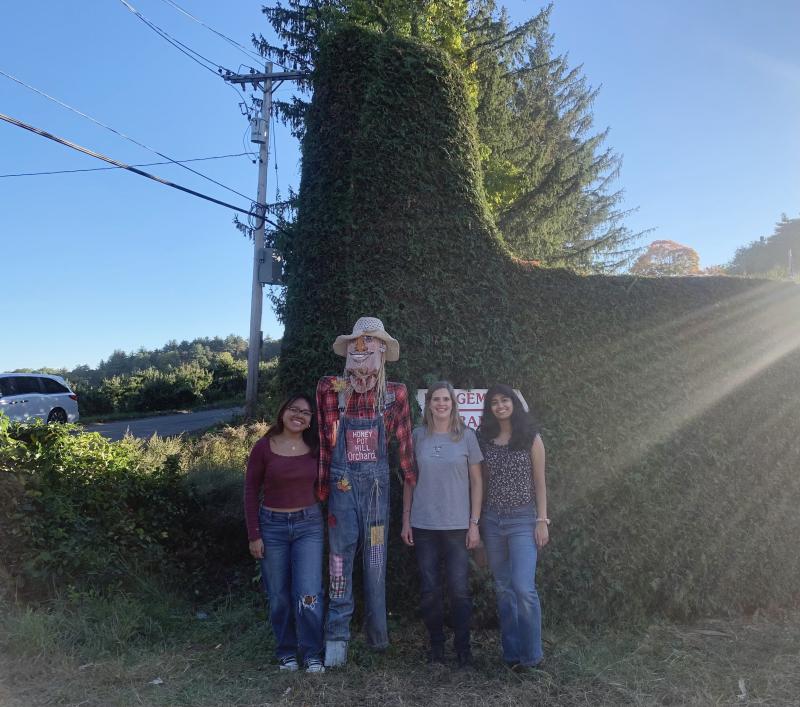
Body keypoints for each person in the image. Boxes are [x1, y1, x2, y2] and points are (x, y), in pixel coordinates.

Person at [317, 316, 415, 667]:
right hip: (342, 489)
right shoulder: (332, 389)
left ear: (383, 351)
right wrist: (323, 487)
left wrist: (410, 485)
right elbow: (326, 444)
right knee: (339, 559)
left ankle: (378, 638)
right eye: (358, 345)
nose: (363, 352)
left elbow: (404, 450)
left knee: (375, 560)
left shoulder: (395, 393)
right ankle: (336, 639)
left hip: (376, 491)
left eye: (371, 344)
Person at [401, 381, 483, 668]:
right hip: (423, 526)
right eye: (436, 399)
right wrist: (405, 520)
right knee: (430, 589)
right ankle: (436, 647)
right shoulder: (417, 436)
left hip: (457, 526)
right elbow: (410, 481)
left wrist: (474, 523)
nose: (441, 404)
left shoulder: (467, 437)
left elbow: (476, 482)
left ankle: (463, 649)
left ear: (453, 404)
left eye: (446, 399)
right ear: (429, 404)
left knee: (460, 589)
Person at [244, 394, 326, 674]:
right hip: (272, 526)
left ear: (310, 422)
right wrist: (254, 534)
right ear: (283, 413)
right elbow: (250, 491)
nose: (299, 415)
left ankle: (312, 653)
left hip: (309, 525)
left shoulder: (316, 448)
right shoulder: (263, 448)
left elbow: (330, 480)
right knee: (278, 594)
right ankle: (287, 652)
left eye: (305, 413)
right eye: (294, 409)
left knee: (309, 593)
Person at [476, 384, 549, 670]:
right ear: (490, 408)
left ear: (514, 404)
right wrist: (479, 524)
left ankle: (532, 657)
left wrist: (542, 521)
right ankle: (511, 655)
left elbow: (540, 483)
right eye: (494, 402)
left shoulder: (531, 437)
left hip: (522, 521)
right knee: (503, 588)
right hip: (493, 520)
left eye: (505, 400)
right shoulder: (486, 439)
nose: (500, 406)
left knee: (523, 587)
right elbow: (481, 483)